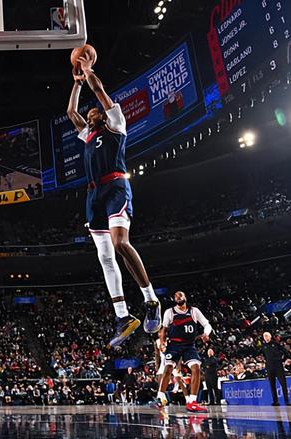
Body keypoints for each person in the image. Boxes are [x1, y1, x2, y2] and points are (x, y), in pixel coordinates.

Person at [66, 53, 161, 348]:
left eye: (95, 112)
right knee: (105, 257)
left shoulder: (116, 124)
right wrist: (76, 83)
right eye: (90, 114)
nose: (91, 114)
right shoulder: (87, 133)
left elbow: (99, 90)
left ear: (104, 115)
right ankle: (122, 316)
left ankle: (151, 300)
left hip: (116, 186)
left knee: (120, 244)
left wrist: (87, 70)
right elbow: (71, 112)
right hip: (93, 195)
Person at [154, 291, 212, 412]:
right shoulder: (169, 312)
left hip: (189, 346)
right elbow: (164, 330)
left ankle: (192, 402)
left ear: (185, 297)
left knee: (196, 368)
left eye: (180, 295)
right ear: (174, 300)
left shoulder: (194, 311)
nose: (179, 297)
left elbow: (207, 325)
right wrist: (163, 343)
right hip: (174, 345)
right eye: (176, 296)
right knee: (168, 368)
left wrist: (206, 333)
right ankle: (160, 397)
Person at [262, 331, 289, 406]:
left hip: (278, 367)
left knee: (283, 384)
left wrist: (283, 359)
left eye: (267, 336)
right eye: (264, 336)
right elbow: (264, 356)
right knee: (272, 385)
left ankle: (287, 401)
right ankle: (275, 401)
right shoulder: (264, 346)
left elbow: (285, 351)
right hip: (270, 368)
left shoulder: (275, 344)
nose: (266, 337)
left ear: (270, 337)